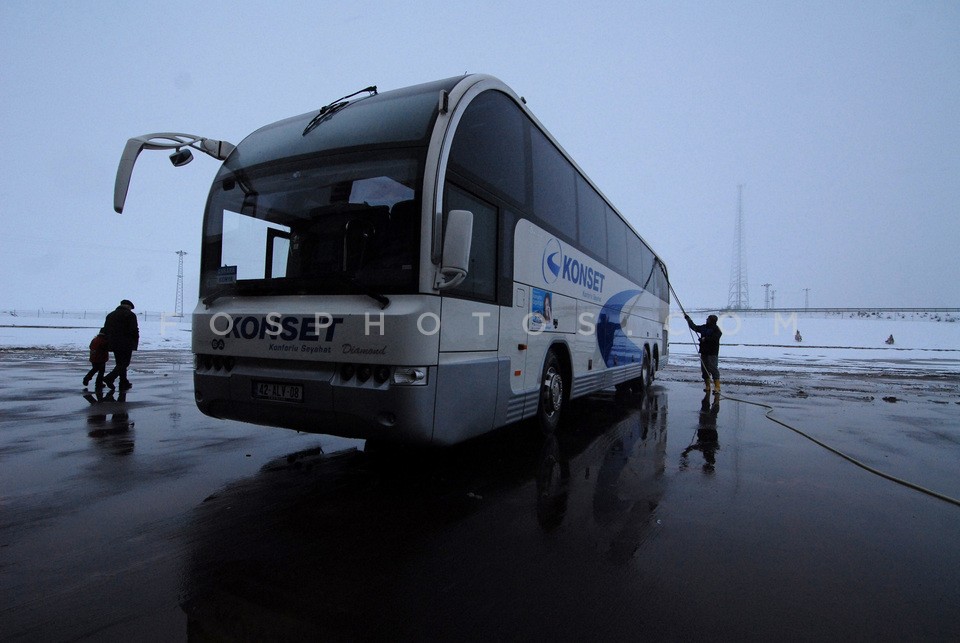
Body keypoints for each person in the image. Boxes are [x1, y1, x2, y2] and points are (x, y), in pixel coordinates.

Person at [102, 299, 139, 391]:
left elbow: (105, 329)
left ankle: (123, 382)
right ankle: (110, 378)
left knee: (119, 363)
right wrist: (134, 341)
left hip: (113, 343)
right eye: (130, 308)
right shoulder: (130, 315)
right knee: (125, 363)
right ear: (128, 306)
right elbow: (133, 329)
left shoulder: (110, 315)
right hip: (126, 343)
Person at [685, 313, 722, 393]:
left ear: (712, 321)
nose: (706, 320)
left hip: (712, 352)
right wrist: (688, 320)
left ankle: (717, 387)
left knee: (713, 368)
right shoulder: (703, 327)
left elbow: (715, 337)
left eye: (708, 319)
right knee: (704, 369)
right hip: (704, 352)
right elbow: (694, 327)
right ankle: (707, 386)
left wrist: (705, 339)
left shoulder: (716, 329)